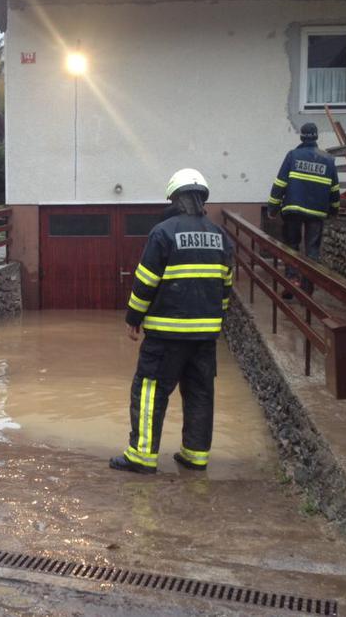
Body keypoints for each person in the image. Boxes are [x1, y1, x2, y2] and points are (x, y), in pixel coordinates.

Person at [110, 169, 233, 474]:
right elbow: (225, 287)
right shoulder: (220, 236)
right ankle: (195, 455)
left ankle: (141, 456)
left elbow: (146, 281)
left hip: (166, 336)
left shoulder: (163, 232)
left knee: (149, 392)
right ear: (202, 198)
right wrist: (215, 320)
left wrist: (133, 318)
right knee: (200, 393)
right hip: (205, 337)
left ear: (174, 198)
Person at [267, 122, 340, 298]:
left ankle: (292, 281)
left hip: (293, 210)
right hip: (317, 212)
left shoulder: (292, 156)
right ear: (316, 137)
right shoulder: (328, 160)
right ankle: (308, 286)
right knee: (312, 250)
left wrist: (273, 208)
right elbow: (334, 190)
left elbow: (280, 184)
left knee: (292, 245)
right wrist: (334, 211)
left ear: (301, 137)